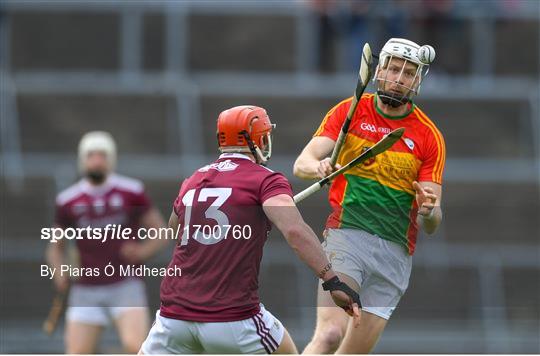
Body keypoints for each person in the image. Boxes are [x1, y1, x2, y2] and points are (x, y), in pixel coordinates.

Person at [140, 105, 360, 354]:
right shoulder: (265, 179)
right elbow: (295, 232)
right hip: (232, 320)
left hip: (173, 319)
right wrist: (332, 281)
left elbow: (174, 228)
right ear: (257, 138)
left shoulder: (193, 179)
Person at [293, 38, 446, 353]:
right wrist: (319, 167)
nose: (399, 77)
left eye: (408, 73)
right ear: (380, 71)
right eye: (393, 69)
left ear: (417, 80)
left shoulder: (429, 136)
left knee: (350, 352)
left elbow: (431, 222)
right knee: (330, 335)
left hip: (396, 254)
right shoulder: (349, 112)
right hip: (347, 236)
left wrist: (429, 211)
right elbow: (302, 163)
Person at [46, 131, 169, 353]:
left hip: (125, 283)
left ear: (111, 158)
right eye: (91, 155)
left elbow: (161, 231)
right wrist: (59, 272)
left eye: (102, 155)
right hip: (86, 288)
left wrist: (142, 251)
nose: (96, 160)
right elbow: (56, 247)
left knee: (135, 348)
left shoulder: (132, 191)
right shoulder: (68, 200)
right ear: (82, 159)